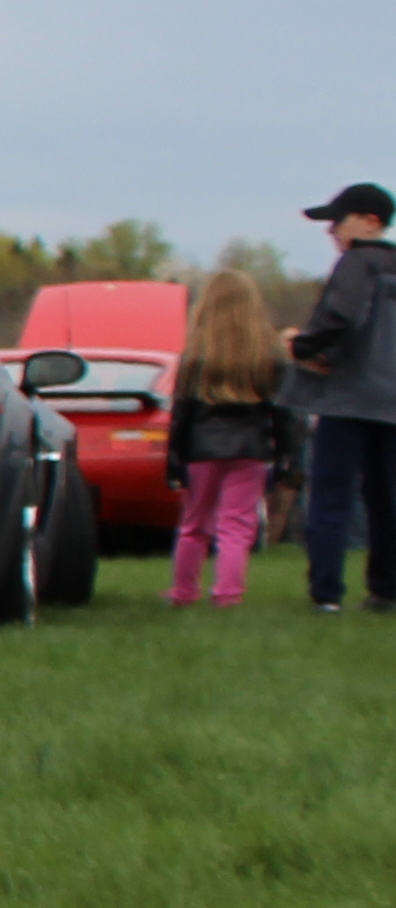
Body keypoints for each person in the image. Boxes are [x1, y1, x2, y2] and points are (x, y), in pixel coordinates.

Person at [287, 180, 396, 607]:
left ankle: (327, 594)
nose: (331, 231)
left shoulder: (358, 262)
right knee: (386, 500)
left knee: (331, 497)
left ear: (370, 222)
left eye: (337, 221)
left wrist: (303, 346)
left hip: (348, 398)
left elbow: (341, 315)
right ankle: (386, 590)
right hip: (392, 407)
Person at [165, 268, 295, 605]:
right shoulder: (267, 355)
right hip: (250, 448)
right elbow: (284, 414)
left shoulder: (196, 355)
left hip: (202, 449)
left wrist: (174, 460)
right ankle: (228, 593)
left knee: (194, 524)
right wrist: (287, 458)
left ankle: (183, 591)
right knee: (236, 524)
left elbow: (181, 414)